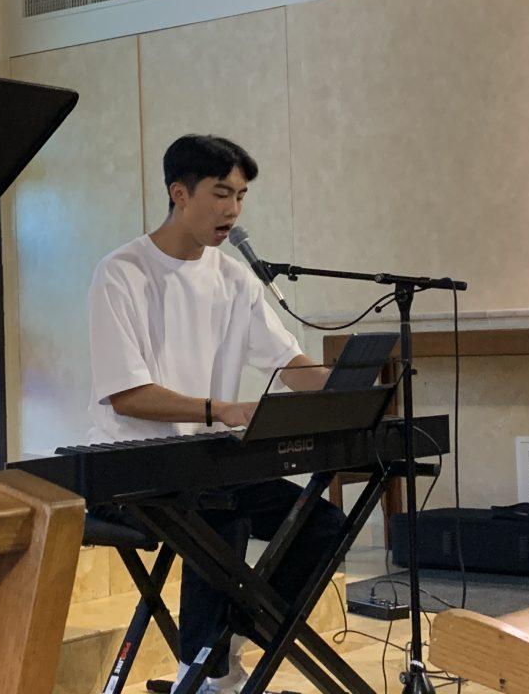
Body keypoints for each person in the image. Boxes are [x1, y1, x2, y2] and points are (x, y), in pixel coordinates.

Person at [87, 134, 345, 694]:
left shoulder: (234, 278)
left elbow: (290, 364)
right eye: (221, 193)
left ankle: (228, 646)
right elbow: (126, 394)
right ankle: (203, 674)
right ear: (180, 193)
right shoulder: (122, 272)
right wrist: (221, 409)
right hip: (130, 467)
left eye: (242, 196)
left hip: (207, 464)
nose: (232, 210)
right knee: (221, 516)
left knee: (321, 522)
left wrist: (344, 391)